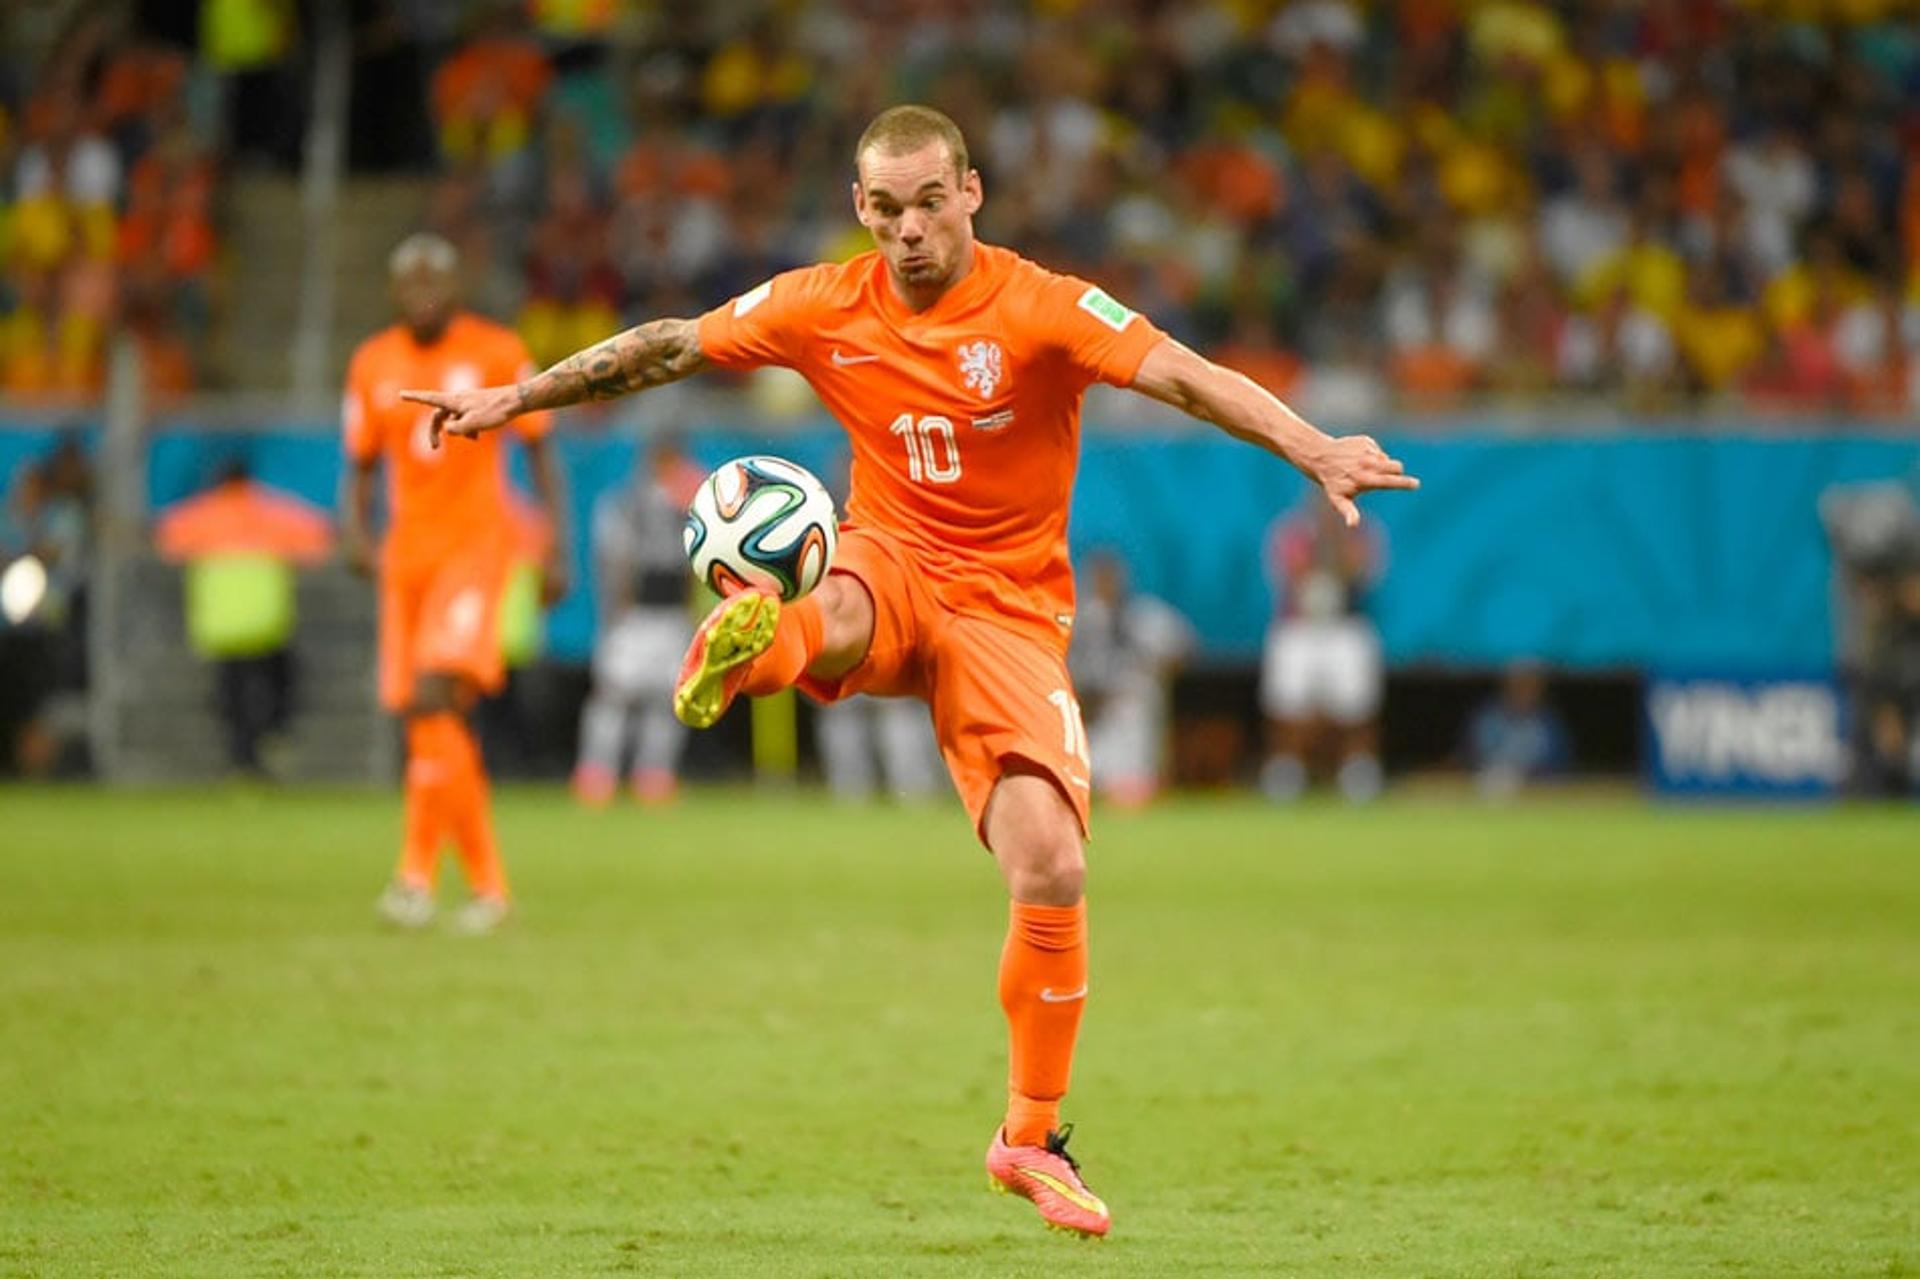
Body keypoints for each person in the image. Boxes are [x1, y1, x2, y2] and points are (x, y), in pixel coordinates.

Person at [403, 105, 1416, 1236]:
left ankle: (1027, 1138)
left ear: (973, 192)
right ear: (860, 211)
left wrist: (1314, 446)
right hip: (887, 559)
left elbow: (1181, 375)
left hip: (1010, 613)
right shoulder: (824, 305)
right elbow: (672, 342)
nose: (911, 230)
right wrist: (513, 398)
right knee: (832, 596)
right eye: (886, 210)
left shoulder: (1040, 307)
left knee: (1053, 865)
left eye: (931, 201)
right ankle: (753, 641)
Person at [342, 232, 568, 934]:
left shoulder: (498, 352)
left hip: (475, 553)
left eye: (434, 280)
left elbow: (541, 452)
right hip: (406, 558)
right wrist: (356, 535)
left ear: (455, 286)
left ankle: (416, 878)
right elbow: (360, 466)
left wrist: (556, 547)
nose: (422, 293)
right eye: (409, 282)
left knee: (436, 696)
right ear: (394, 291)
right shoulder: (372, 363)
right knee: (430, 721)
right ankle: (483, 888)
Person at [153, 457, 334, 776]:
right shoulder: (272, 510)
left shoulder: (201, 514)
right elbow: (318, 539)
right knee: (279, 682)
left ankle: (242, 757)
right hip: (266, 622)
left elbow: (166, 541)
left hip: (220, 625)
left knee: (231, 693)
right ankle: (272, 736)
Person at [574, 434, 705, 806]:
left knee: (666, 700)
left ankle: (654, 774)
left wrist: (691, 609)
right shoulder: (627, 503)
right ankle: (597, 772)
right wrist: (616, 612)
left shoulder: (689, 505)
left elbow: (693, 566)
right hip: (635, 614)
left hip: (672, 613)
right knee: (615, 695)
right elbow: (614, 559)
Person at [1258, 494, 1386, 804]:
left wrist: (1336, 539)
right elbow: (1290, 577)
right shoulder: (1291, 530)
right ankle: (1286, 771)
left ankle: (1358, 772)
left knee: (1356, 705)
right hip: (1300, 624)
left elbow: (1361, 574)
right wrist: (1317, 546)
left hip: (1345, 623)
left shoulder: (1363, 530)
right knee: (1287, 704)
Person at [1068, 549, 1193, 808]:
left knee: (1135, 778)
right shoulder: (1082, 620)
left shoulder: (1144, 616)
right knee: (1090, 777)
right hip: (1095, 712)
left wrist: (1152, 668)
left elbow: (1184, 650)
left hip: (1138, 707)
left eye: (1110, 577)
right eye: (1099, 578)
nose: (1105, 584)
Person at [1464, 662, 1571, 799]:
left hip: (1538, 788)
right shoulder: (1487, 717)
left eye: (1530, 685)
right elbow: (1470, 756)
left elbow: (1560, 764)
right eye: (1518, 684)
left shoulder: (1549, 723)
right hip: (1489, 784)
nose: (1524, 690)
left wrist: (1530, 778)